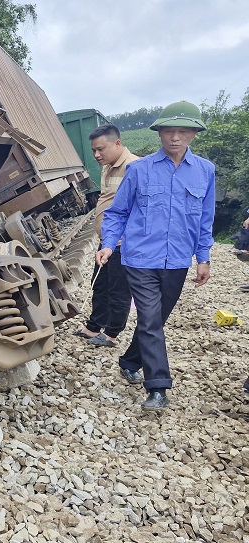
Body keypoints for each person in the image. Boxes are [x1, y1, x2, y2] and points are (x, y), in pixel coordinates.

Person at [95, 100, 215, 411]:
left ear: (193, 134)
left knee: (156, 320)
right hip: (139, 258)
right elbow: (116, 213)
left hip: (177, 260)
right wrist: (109, 244)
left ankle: (129, 359)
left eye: (183, 131)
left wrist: (204, 258)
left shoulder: (205, 171)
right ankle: (158, 387)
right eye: (169, 131)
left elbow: (205, 218)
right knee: (149, 318)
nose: (175, 137)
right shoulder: (139, 170)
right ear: (159, 133)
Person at [75, 124, 139, 347]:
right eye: (94, 150)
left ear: (118, 143)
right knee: (100, 284)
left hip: (123, 243)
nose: (96, 155)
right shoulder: (108, 167)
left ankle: (111, 334)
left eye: (101, 149)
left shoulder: (135, 167)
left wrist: (121, 239)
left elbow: (138, 210)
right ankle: (94, 327)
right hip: (107, 242)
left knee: (118, 290)